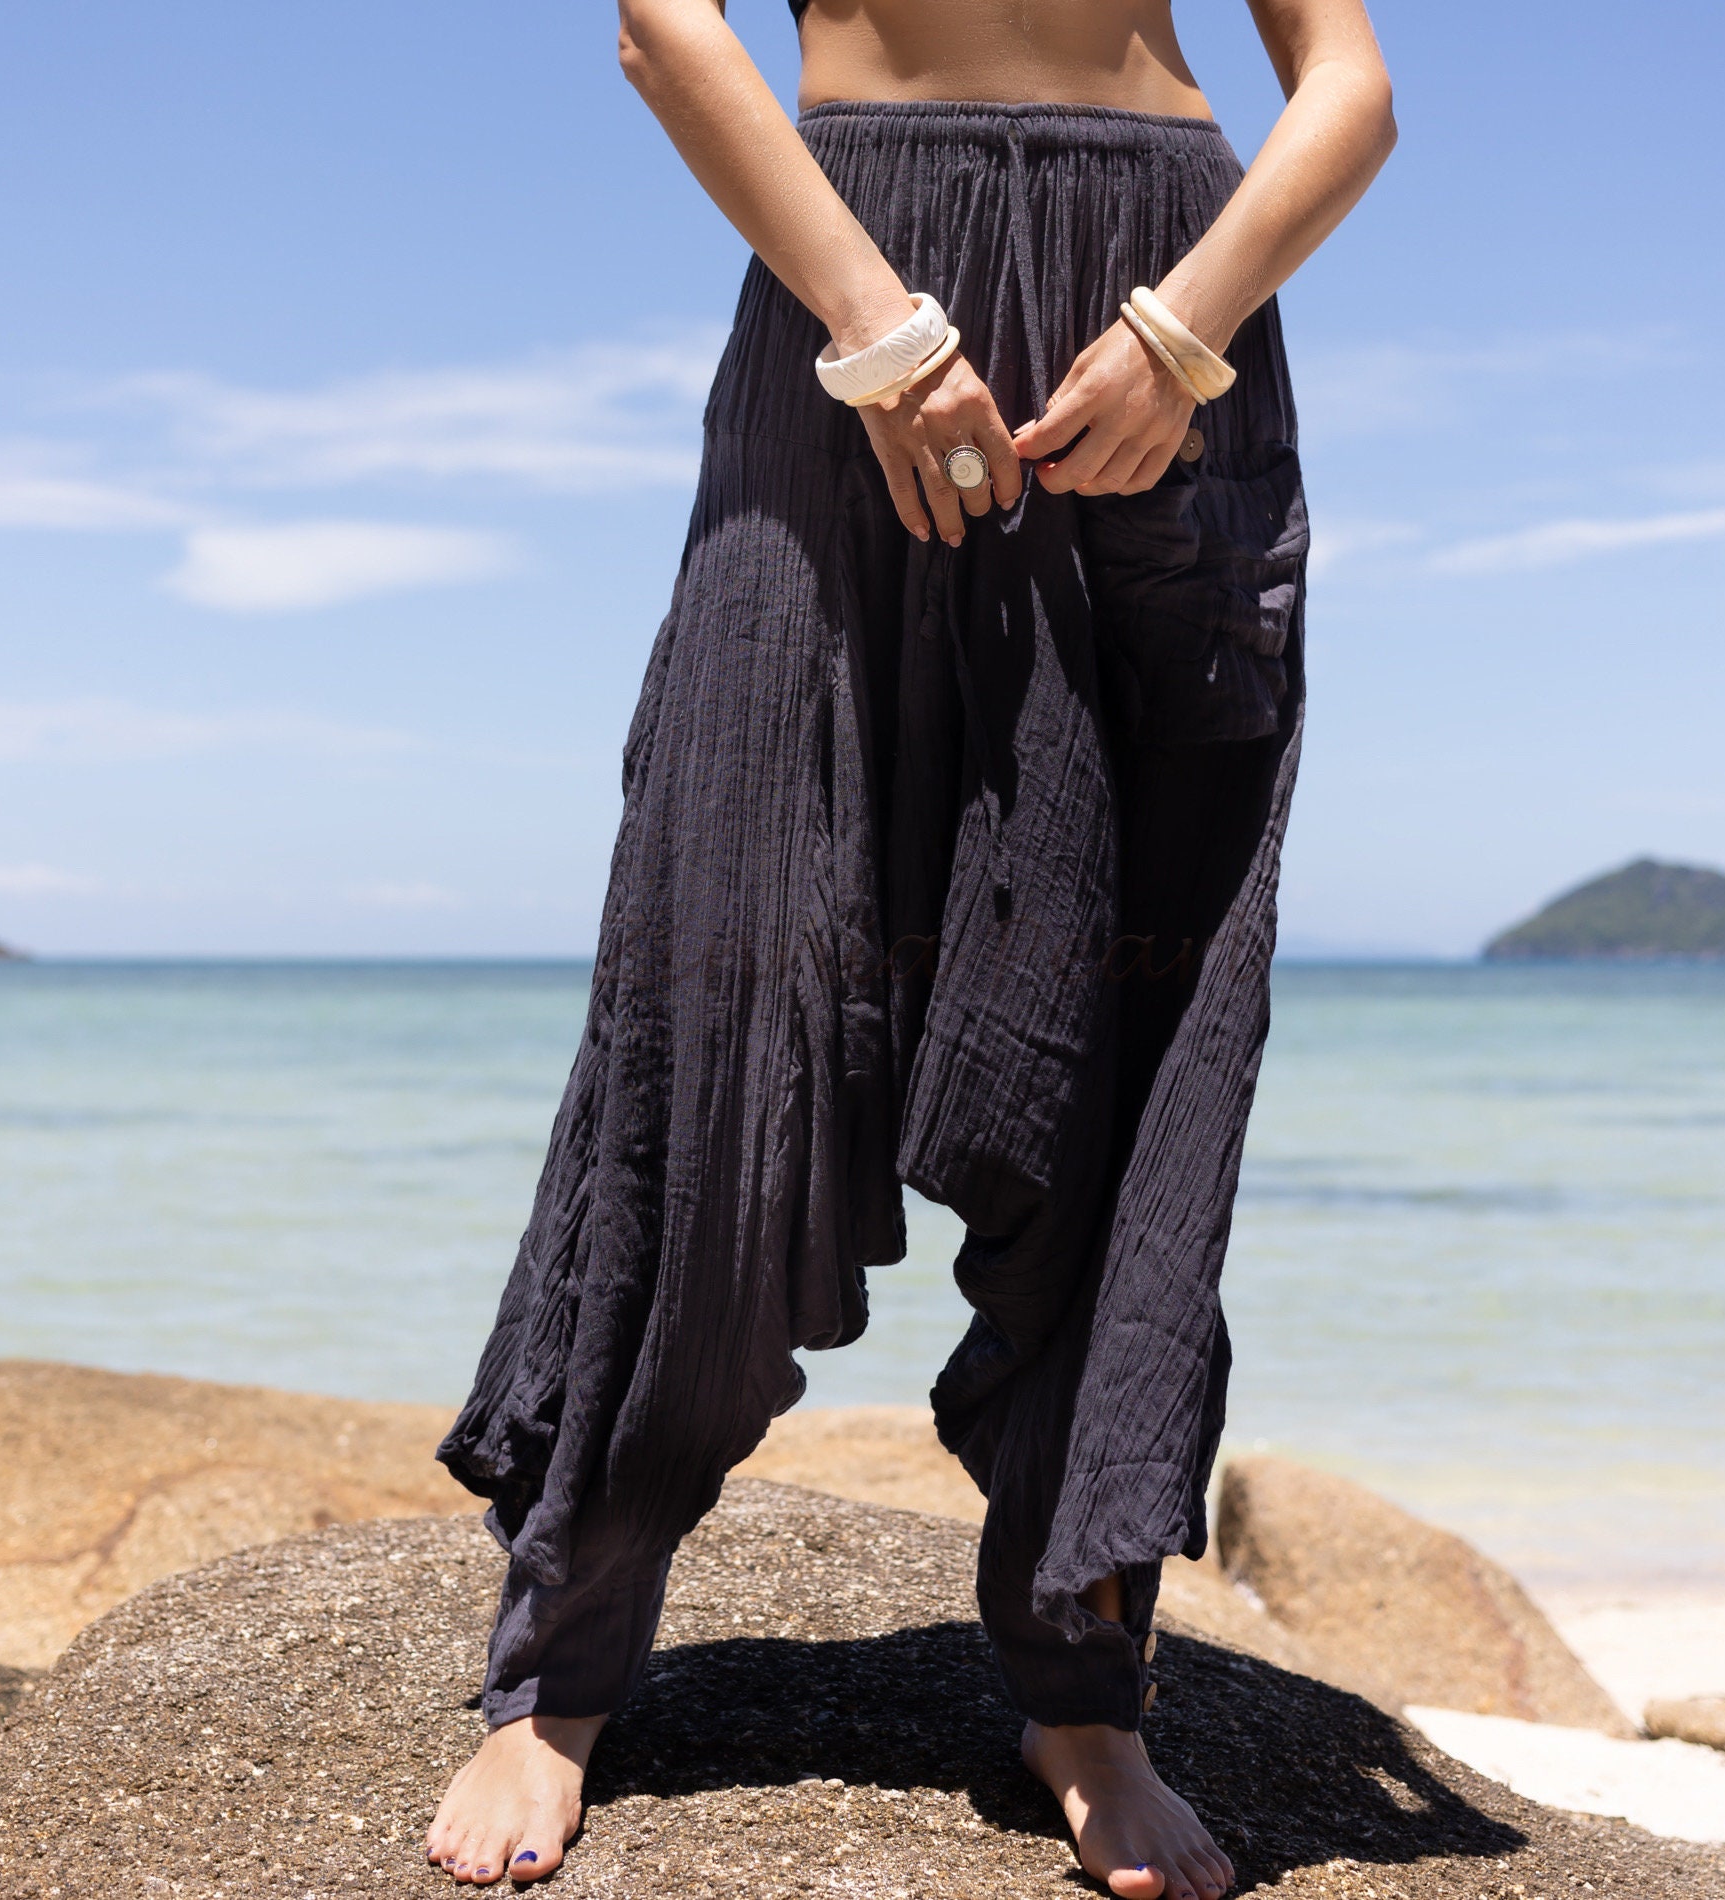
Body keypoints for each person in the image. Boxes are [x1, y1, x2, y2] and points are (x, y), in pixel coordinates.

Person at [426, 0, 1393, 1890]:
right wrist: (878, 331)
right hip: (849, 279)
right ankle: (562, 1661)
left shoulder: (1180, 327)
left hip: (1170, 318)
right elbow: (662, 28)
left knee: (1136, 1009)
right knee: (727, 960)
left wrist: (1183, 334)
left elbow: (1347, 87)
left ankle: (1084, 1688)